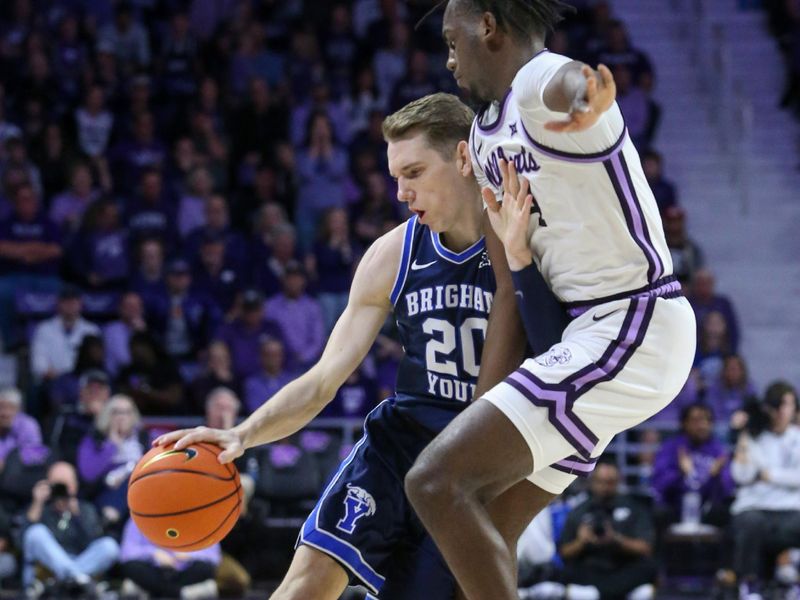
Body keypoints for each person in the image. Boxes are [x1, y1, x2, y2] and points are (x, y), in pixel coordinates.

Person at [155, 93, 565, 600]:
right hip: (400, 446)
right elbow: (325, 380)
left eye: (413, 172)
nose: (401, 192)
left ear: (464, 158)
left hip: (477, 463)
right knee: (305, 585)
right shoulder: (392, 254)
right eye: (395, 177)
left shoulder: (531, 238)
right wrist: (243, 433)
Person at [404, 3, 696, 598]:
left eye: (451, 40)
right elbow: (528, 313)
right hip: (583, 337)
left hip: (634, 320)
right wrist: (516, 257)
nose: (448, 56)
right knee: (478, 538)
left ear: (487, 25)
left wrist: (586, 95)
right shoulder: (485, 142)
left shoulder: (538, 83)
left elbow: (568, 84)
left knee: (434, 481)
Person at [730, 382, 800, 599]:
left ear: (795, 408)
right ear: (767, 407)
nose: (781, 410)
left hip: (791, 508)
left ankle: (791, 577)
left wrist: (767, 475)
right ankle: (748, 585)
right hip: (754, 507)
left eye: (786, 404)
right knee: (750, 522)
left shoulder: (798, 436)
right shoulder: (753, 436)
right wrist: (742, 434)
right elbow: (741, 475)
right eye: (776, 404)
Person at [558, 461, 657, 600]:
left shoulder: (634, 508)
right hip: (590, 569)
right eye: (600, 482)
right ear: (592, 482)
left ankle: (599, 593)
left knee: (649, 567)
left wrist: (617, 539)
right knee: (564, 571)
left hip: (623, 567)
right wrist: (581, 542)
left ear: (618, 481)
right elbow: (564, 553)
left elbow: (646, 548)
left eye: (610, 482)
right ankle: (612, 593)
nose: (604, 487)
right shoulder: (578, 511)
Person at [21, 462, 120, 597]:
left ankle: (60, 581)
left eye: (65, 485)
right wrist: (37, 502)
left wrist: (77, 516)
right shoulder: (41, 508)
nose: (61, 490)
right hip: (46, 569)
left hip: (80, 561)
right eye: (57, 484)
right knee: (35, 532)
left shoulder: (85, 509)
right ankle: (78, 578)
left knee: (110, 546)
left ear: (74, 486)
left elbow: (93, 541)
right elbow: (24, 542)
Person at [651, 403, 734, 529]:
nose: (703, 425)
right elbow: (659, 485)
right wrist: (679, 472)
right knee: (659, 513)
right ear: (684, 423)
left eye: (707, 420)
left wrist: (715, 477)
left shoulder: (717, 449)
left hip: (706, 507)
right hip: (675, 505)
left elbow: (727, 489)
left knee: (725, 514)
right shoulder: (672, 447)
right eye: (696, 420)